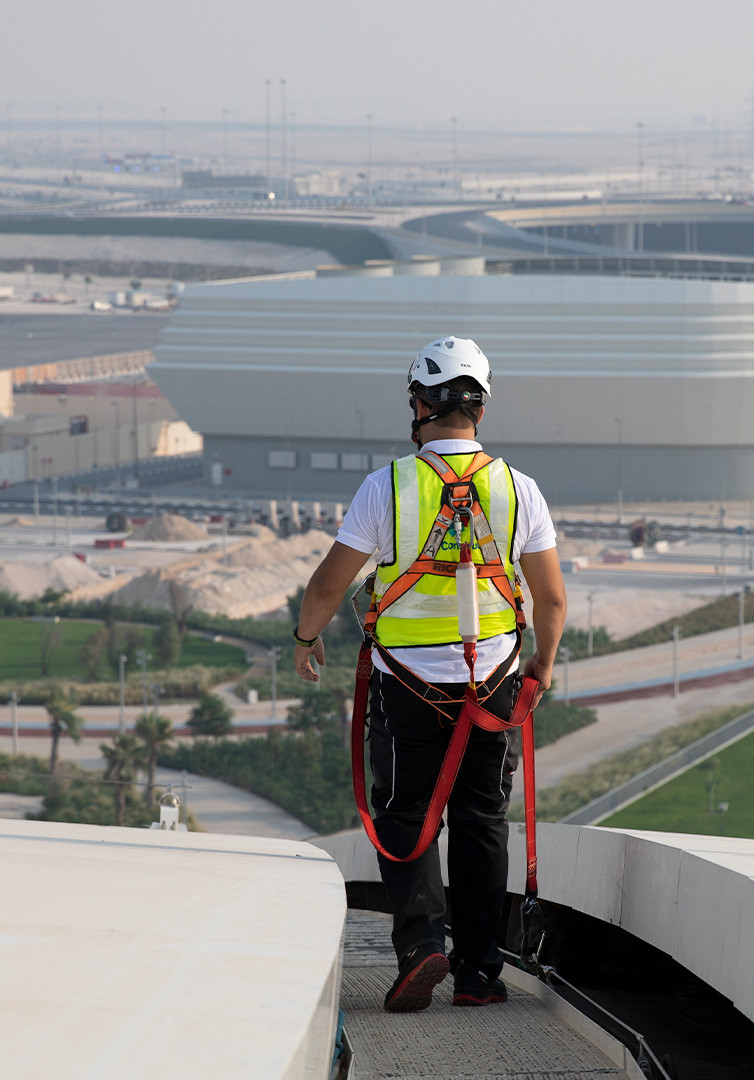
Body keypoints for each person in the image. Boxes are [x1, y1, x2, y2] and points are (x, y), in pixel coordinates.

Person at [293, 335, 567, 1013]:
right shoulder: (517, 489)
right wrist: (541, 665)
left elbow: (331, 583)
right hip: (494, 682)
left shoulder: (386, 485)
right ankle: (480, 973)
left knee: (406, 814)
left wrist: (305, 638)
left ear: (420, 404)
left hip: (407, 686)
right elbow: (552, 599)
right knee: (481, 821)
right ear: (480, 410)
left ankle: (421, 948)